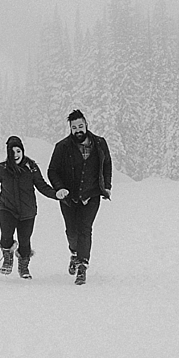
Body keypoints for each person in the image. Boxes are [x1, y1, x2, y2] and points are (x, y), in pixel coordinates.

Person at [0, 135, 66, 279]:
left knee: (25, 240)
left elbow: (42, 186)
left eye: (18, 151)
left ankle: (24, 267)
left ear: (22, 151)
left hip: (27, 212)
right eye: (12, 152)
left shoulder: (32, 167)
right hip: (6, 208)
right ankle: (7, 258)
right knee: (6, 236)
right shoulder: (2, 168)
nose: (15, 155)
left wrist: (56, 194)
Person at [47, 109, 112, 285]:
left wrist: (107, 186)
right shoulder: (62, 147)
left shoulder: (99, 143)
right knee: (71, 231)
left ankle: (82, 266)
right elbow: (52, 170)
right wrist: (59, 188)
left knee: (85, 229)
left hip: (91, 195)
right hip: (69, 198)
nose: (78, 130)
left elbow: (106, 164)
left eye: (80, 126)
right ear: (70, 128)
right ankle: (74, 253)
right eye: (74, 127)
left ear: (86, 125)